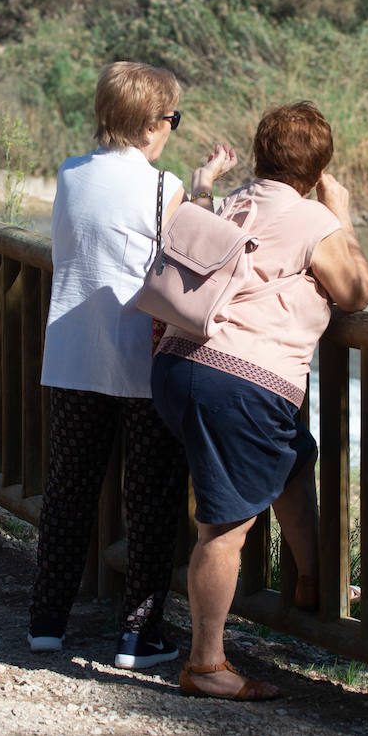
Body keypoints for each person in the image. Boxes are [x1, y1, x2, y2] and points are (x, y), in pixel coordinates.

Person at [150, 101, 368, 700]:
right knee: (224, 529)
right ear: (318, 168)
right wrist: (340, 217)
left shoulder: (234, 202)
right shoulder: (313, 218)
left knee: (292, 459)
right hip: (240, 383)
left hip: (176, 365)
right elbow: (354, 290)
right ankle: (206, 666)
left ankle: (311, 582)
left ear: (260, 152)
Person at [29, 61, 238, 670]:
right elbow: (191, 250)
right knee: (148, 498)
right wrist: (201, 187)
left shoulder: (69, 175)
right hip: (141, 362)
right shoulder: (161, 186)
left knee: (68, 490)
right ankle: (138, 636)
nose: (171, 128)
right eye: (172, 119)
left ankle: (47, 622)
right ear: (152, 123)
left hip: (71, 354)